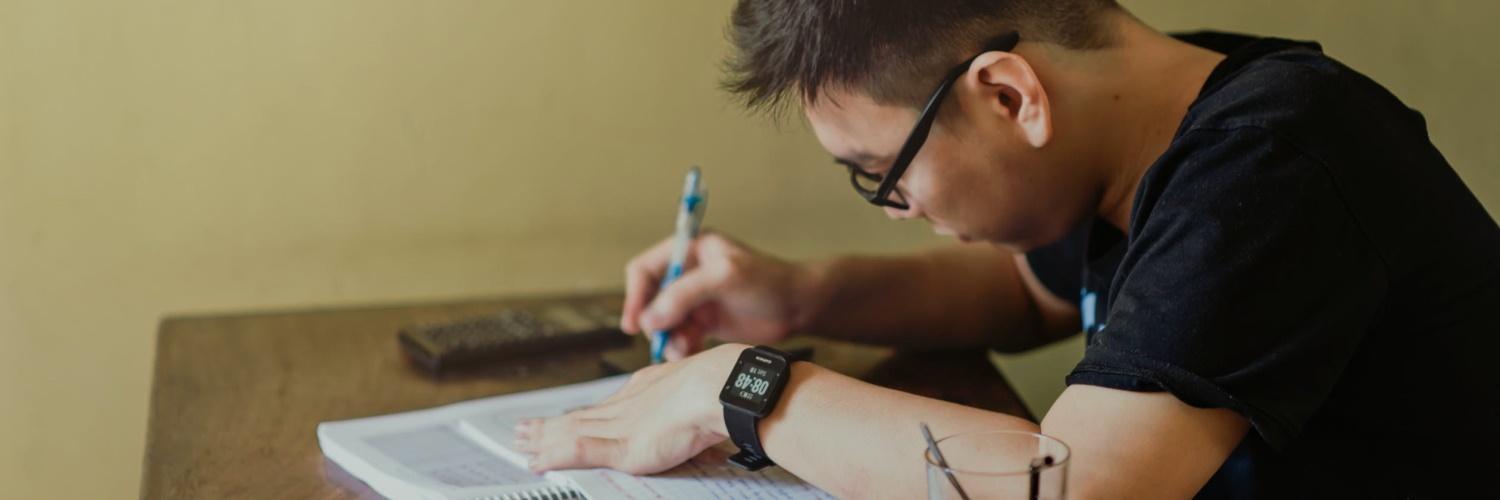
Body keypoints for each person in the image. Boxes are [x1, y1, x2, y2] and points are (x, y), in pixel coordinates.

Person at [513, 1, 1500, 497]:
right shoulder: (1158, 113)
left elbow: (1074, 484)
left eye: (882, 172)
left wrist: (739, 387)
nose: (892, 208)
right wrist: (797, 292)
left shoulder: (1276, 158)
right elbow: (1026, 294)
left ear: (1010, 95)